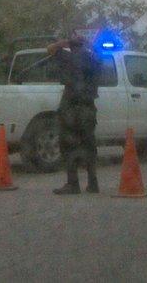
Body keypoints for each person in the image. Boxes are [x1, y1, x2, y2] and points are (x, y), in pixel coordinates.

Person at [47, 34, 100, 194]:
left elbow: (49, 49)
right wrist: (86, 42)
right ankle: (93, 183)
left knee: (68, 145)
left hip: (71, 108)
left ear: (72, 44)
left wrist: (63, 42)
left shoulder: (68, 58)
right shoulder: (93, 59)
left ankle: (73, 184)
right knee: (89, 145)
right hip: (88, 107)